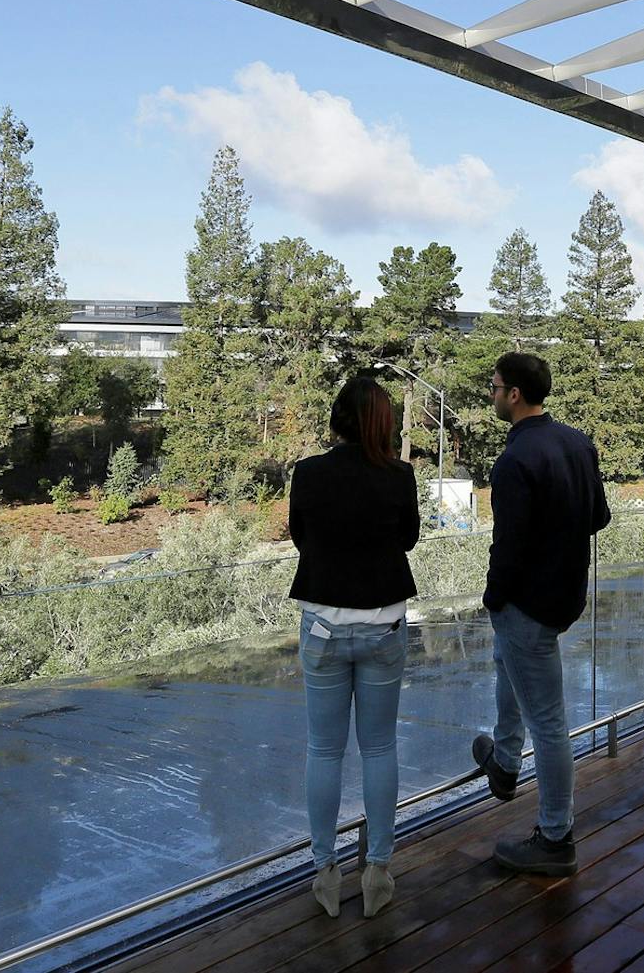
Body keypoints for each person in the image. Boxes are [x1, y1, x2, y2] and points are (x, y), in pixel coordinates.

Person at [472, 351, 610, 877]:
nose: (492, 392)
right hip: (564, 595)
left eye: (495, 384)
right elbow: (598, 515)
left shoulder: (513, 462)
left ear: (514, 394)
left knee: (549, 722)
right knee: (508, 663)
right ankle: (505, 762)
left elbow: (508, 546)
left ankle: (556, 837)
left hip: (526, 600)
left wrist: (493, 596)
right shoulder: (577, 443)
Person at [287, 376, 421, 920]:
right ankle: (379, 871)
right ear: (385, 425)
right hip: (384, 625)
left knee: (324, 750)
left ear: (336, 419)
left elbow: (300, 535)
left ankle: (325, 871)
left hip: (322, 623)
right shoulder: (401, 476)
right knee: (380, 747)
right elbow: (408, 539)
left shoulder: (309, 473)